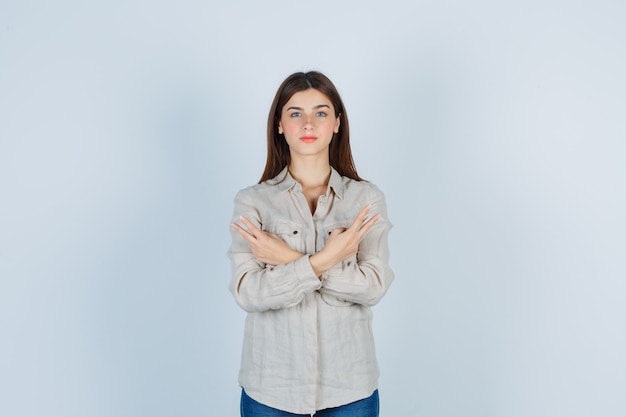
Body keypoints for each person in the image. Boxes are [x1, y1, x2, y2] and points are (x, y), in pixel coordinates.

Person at [228, 71, 394, 417]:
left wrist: (287, 258)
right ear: (279, 125)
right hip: (271, 389)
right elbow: (249, 293)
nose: (308, 124)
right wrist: (329, 258)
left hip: (350, 388)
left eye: (320, 112)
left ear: (337, 123)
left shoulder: (365, 200)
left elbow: (373, 287)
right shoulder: (253, 203)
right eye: (295, 113)